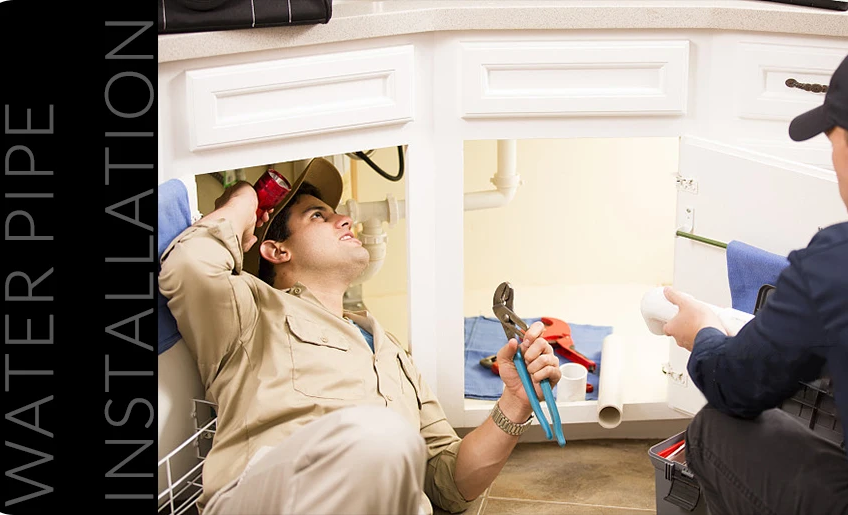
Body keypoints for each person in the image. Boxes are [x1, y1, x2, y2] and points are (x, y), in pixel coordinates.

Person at [158, 158, 562, 515]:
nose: (344, 219)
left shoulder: (393, 353)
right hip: (268, 497)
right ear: (277, 250)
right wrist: (243, 199)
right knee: (384, 435)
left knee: (391, 441)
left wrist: (515, 402)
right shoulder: (252, 308)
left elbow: (450, 483)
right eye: (318, 216)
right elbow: (188, 266)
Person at [661, 38, 848, 515]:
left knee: (714, 430)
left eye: (834, 145)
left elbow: (734, 386)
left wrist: (703, 334)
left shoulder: (846, 259)